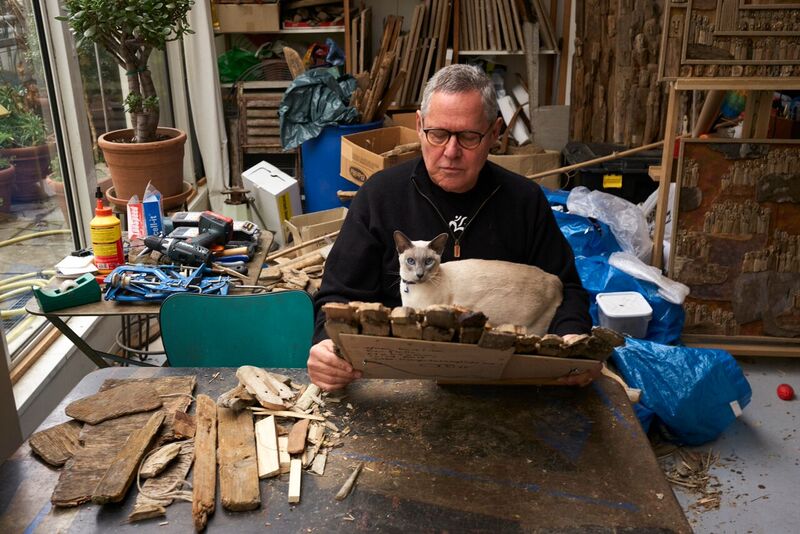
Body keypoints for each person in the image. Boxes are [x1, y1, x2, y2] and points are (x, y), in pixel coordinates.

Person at [308, 64, 595, 391]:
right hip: (399, 385)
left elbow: (566, 288)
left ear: (494, 134)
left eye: (469, 136)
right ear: (419, 126)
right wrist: (324, 347)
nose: (451, 152)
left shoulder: (524, 200)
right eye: (438, 134)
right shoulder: (379, 197)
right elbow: (336, 296)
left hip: (505, 385)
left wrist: (573, 337)